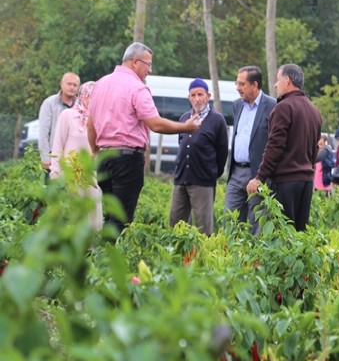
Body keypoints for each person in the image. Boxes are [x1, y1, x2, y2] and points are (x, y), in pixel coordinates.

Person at [88, 42, 200, 233]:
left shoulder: (100, 84)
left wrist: (96, 151)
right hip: (126, 160)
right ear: (134, 62)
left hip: (105, 160)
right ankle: (109, 259)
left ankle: (101, 257)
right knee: (121, 219)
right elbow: (155, 123)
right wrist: (186, 127)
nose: (150, 70)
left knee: (111, 215)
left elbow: (90, 124)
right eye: (148, 64)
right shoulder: (137, 88)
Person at [246, 64, 323, 232]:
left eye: (277, 80)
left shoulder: (283, 108)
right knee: (300, 235)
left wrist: (259, 177)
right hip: (306, 183)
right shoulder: (314, 111)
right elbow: (314, 150)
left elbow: (275, 146)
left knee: (281, 237)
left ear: (287, 81)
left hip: (286, 182)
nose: (275, 85)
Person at [168, 78, 229, 235]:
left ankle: (203, 258)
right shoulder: (183, 119)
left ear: (208, 96)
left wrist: (213, 173)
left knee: (203, 228)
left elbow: (222, 152)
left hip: (202, 181)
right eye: (193, 95)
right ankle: (180, 258)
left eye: (200, 94)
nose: (197, 99)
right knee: (176, 224)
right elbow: (182, 143)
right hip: (181, 179)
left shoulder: (217, 120)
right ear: (188, 97)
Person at [225, 66, 276, 224]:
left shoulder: (272, 106)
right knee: (230, 222)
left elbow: (275, 143)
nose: (237, 88)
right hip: (236, 173)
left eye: (242, 84)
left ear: (255, 85)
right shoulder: (237, 105)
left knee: (257, 224)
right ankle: (231, 250)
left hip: (257, 174)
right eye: (237, 83)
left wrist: (263, 176)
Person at [49, 81, 102, 230]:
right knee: (73, 215)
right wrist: (55, 172)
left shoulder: (99, 121)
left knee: (93, 214)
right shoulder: (68, 115)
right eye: (92, 97)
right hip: (70, 174)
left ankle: (91, 250)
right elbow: (58, 144)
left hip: (91, 175)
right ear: (84, 96)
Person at [39, 72, 80, 172]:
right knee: (53, 187)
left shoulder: (80, 105)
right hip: (54, 158)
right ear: (61, 84)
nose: (72, 87)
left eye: (75, 85)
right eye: (69, 84)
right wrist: (45, 158)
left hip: (75, 160)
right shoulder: (49, 104)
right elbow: (43, 133)